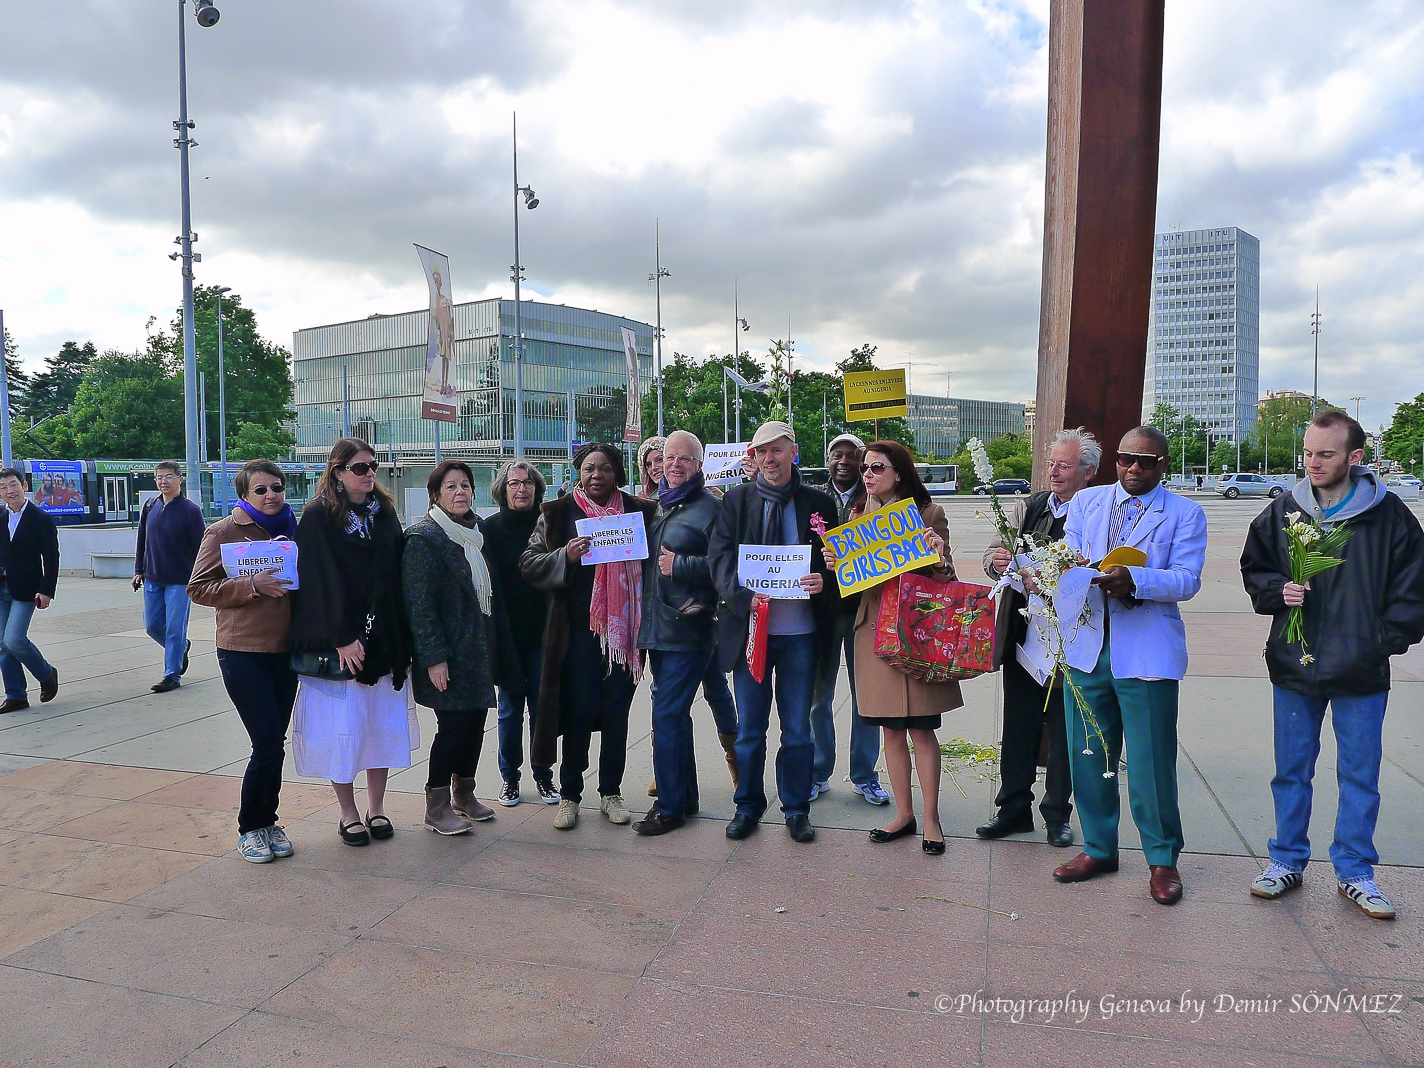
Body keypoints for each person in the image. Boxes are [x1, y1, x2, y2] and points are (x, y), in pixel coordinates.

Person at [1241, 411, 1424, 920]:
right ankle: (1286, 861)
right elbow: (1255, 567)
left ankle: (1355, 871)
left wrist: (1378, 642)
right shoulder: (1283, 511)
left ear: (1355, 458)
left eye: (1326, 454)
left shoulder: (1389, 516)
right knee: (1291, 771)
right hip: (1295, 666)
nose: (1313, 463)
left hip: (1360, 672)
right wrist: (1279, 591)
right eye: (1307, 453)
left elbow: (1414, 590)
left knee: (1360, 774)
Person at [1052, 426, 1206, 906]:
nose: (1135, 468)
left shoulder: (1185, 512)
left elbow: (1186, 579)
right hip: (1088, 647)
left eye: (1147, 461)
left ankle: (1162, 859)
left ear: (1164, 465)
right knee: (1088, 755)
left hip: (1146, 651)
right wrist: (1063, 570)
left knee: (1150, 761)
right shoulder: (1087, 502)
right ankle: (1099, 848)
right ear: (1115, 461)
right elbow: (1066, 555)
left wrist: (1133, 580)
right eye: (1126, 459)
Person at [709, 420, 839, 843]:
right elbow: (720, 559)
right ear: (753, 457)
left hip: (801, 636)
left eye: (777, 450)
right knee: (750, 728)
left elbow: (838, 561)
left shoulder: (819, 503)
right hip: (752, 633)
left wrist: (825, 580)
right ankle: (747, 805)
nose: (769, 459)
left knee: (798, 728)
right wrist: (741, 597)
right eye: (762, 451)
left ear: (793, 453)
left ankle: (796, 808)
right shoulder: (736, 500)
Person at [825, 441, 958, 854]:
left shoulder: (927, 514)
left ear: (899, 472)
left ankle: (931, 819)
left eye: (876, 467)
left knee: (922, 728)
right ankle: (904, 813)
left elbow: (947, 578)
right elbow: (855, 583)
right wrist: (837, 565)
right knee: (890, 729)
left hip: (916, 631)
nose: (866, 473)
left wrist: (935, 553)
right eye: (865, 467)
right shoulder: (857, 515)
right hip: (872, 633)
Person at [521, 443, 657, 831]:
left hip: (624, 636)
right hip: (576, 634)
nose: (597, 475)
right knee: (577, 713)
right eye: (589, 469)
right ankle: (570, 795)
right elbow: (528, 563)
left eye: (606, 468)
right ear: (578, 472)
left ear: (618, 473)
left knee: (616, 714)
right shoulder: (557, 513)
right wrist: (564, 555)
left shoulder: (641, 512)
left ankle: (611, 792)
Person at [978, 428, 1101, 847]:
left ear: (1089, 472)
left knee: (1064, 729)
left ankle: (1056, 815)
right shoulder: (1026, 508)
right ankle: (1012, 809)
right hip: (1025, 637)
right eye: (1051, 464)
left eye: (1064, 465)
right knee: (1018, 726)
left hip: (1072, 640)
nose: (1054, 472)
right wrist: (997, 562)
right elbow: (993, 556)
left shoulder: (1099, 510)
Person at [289, 438, 414, 847]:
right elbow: (316, 581)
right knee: (344, 729)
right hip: (339, 639)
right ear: (337, 472)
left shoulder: (384, 512)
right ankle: (347, 812)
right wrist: (342, 637)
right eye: (359, 468)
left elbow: (396, 575)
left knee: (378, 726)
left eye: (373, 466)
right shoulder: (318, 515)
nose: (369, 474)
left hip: (384, 638)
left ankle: (377, 807)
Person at [187, 459, 300, 864]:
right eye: (261, 490)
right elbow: (198, 588)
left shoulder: (296, 529)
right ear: (243, 495)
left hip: (286, 652)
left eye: (277, 487)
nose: (271, 496)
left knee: (275, 744)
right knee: (266, 743)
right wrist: (252, 584)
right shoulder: (223, 531)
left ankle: (269, 823)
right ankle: (251, 828)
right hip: (242, 651)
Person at [404, 461, 525, 835]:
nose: (460, 492)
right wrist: (434, 659)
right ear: (436, 495)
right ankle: (436, 806)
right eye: (451, 486)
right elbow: (419, 605)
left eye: (466, 486)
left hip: (478, 650)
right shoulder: (424, 538)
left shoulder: (476, 532)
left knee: (474, 725)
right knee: (453, 728)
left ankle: (464, 795)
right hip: (449, 655)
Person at [637, 435, 739, 799]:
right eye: (669, 458)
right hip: (656, 627)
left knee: (666, 715)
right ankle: (685, 797)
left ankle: (670, 804)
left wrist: (681, 564)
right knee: (673, 715)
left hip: (689, 626)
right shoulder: (657, 506)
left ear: (699, 465)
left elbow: (728, 565)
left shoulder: (712, 507)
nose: (674, 464)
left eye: (685, 458)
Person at [808, 432, 889, 806]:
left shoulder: (876, 499)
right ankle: (817, 771)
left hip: (863, 611)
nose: (843, 461)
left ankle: (864, 775)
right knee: (818, 697)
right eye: (836, 455)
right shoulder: (813, 497)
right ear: (828, 460)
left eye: (851, 456)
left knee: (865, 698)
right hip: (822, 612)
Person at [483, 460, 558, 807]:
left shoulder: (550, 526)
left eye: (528, 483)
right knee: (509, 710)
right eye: (514, 484)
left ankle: (544, 776)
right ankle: (510, 778)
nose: (522, 489)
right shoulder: (490, 530)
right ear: (503, 489)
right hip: (507, 634)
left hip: (544, 633)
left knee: (543, 709)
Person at [132, 461, 205, 693]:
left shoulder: (191, 511)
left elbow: (202, 548)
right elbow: (142, 540)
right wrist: (138, 571)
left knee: (174, 629)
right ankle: (181, 648)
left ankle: (171, 675)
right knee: (152, 626)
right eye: (159, 477)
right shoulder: (150, 506)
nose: (164, 481)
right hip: (152, 577)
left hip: (180, 581)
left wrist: (199, 576)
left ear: (179, 479)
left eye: (169, 477)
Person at [0, 468, 59, 713]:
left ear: (24, 486)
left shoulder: (40, 518)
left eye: (13, 485)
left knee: (14, 639)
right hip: (1, 587)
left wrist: (47, 590)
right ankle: (16, 695)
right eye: (3, 487)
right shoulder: (1, 517)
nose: (9, 491)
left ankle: (46, 673)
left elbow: (52, 557)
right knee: (2, 644)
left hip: (27, 589)